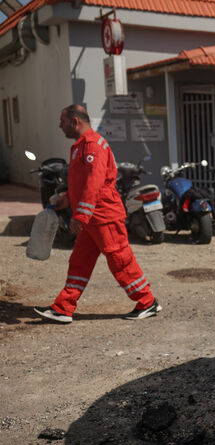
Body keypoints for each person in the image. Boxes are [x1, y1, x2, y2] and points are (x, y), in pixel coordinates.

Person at [34, 105, 161, 323]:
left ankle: (147, 302)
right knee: (79, 262)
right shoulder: (80, 146)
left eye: (62, 121)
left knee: (119, 260)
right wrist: (67, 198)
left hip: (104, 215)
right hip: (94, 217)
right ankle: (64, 307)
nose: (59, 126)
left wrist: (79, 215)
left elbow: (94, 183)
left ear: (75, 122)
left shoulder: (92, 145)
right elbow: (82, 182)